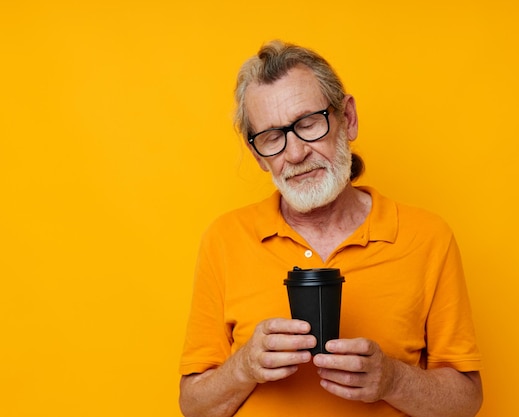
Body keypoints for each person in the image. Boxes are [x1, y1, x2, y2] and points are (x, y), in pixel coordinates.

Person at [179, 40, 483, 417]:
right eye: (273, 138)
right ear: (257, 154)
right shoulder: (224, 239)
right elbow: (194, 407)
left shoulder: (427, 236)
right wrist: (242, 368)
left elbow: (466, 402)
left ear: (348, 118)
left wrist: (393, 380)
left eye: (308, 124)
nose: (295, 153)